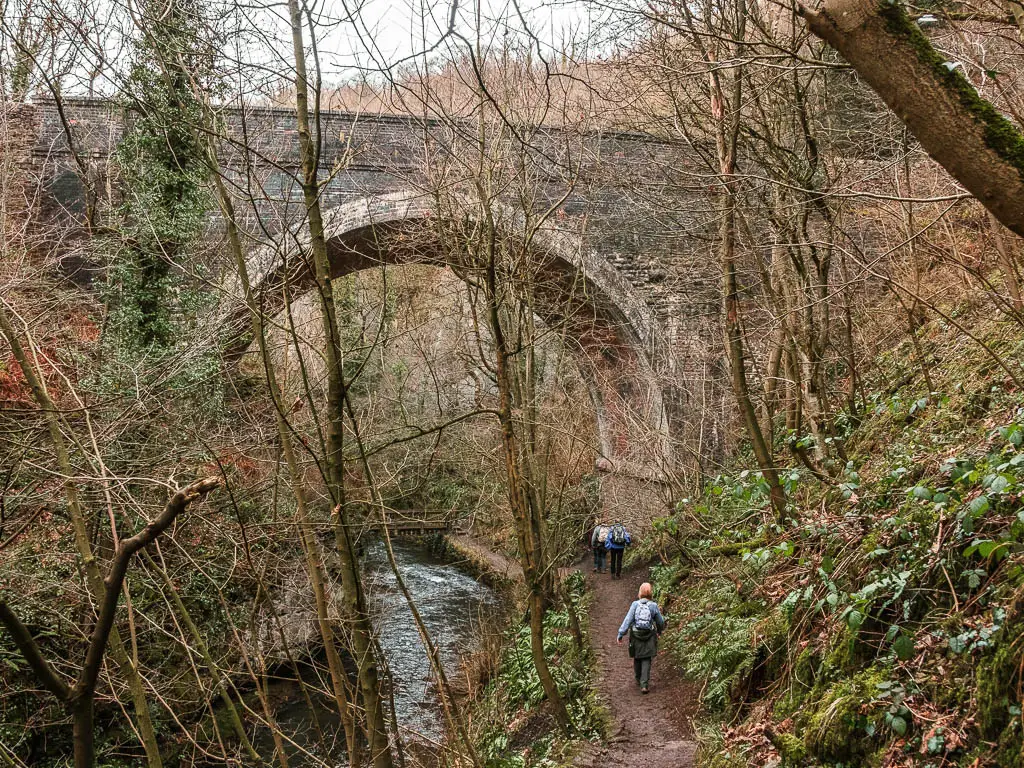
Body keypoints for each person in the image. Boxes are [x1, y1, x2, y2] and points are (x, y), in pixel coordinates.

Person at [616, 582, 666, 694]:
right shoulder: (653, 606)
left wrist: (621, 634)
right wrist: (659, 631)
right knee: (647, 658)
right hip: (649, 635)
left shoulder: (635, 605)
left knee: (637, 657)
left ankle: (638, 679)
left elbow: (628, 620)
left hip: (636, 635)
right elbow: (660, 622)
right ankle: (644, 684)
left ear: (640, 592)